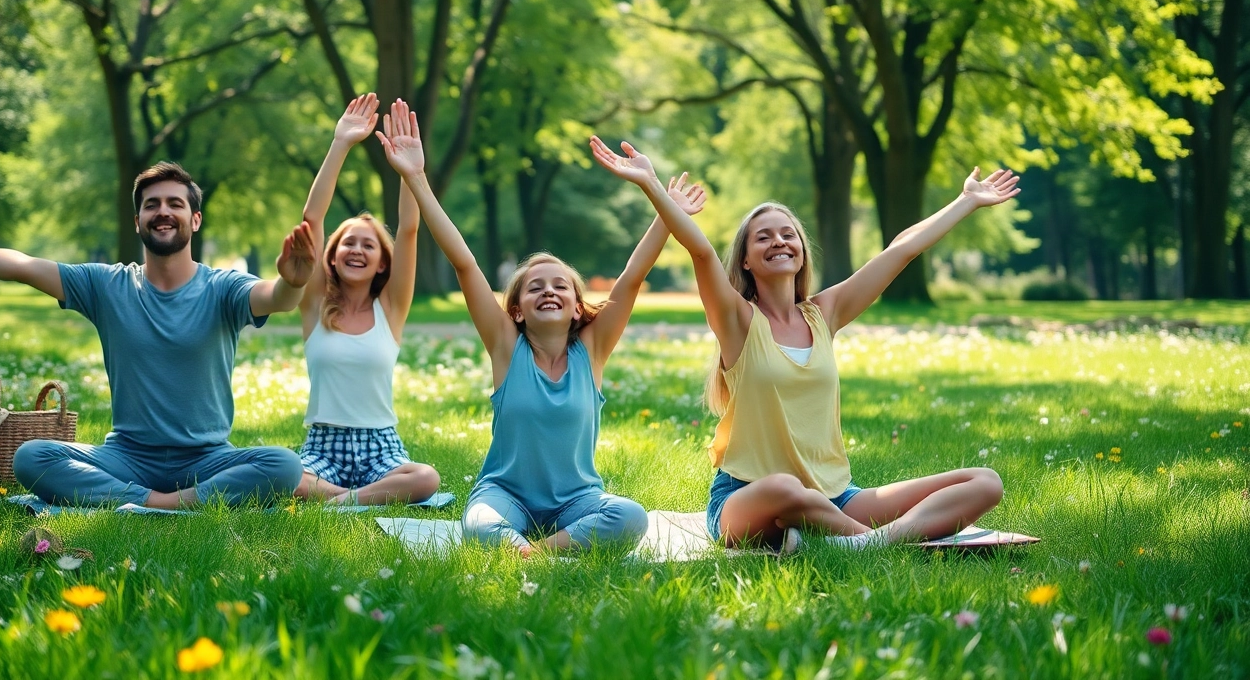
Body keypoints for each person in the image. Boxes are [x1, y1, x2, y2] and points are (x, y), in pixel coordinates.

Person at [590, 136, 1013, 552]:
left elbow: (899, 251)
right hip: (750, 498)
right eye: (764, 237)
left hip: (834, 496)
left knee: (983, 482)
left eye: (788, 234)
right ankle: (868, 540)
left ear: (801, 250)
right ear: (745, 259)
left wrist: (966, 201)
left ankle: (865, 542)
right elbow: (700, 252)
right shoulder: (737, 320)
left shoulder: (824, 313)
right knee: (785, 488)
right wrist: (651, 185)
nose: (779, 241)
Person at [385, 114, 704, 556]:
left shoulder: (592, 349)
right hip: (505, 496)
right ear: (516, 308)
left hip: (577, 500)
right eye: (535, 286)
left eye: (560, 286)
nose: (549, 291)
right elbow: (464, 263)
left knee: (630, 516)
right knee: (479, 524)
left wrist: (666, 215)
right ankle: (534, 546)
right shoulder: (504, 345)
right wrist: (417, 178)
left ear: (578, 307)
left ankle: (537, 552)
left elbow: (631, 278)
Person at [0, 163, 314, 508]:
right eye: (151, 205)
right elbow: (24, 266)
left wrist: (292, 283)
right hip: (127, 457)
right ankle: (164, 502)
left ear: (195, 219)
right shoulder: (106, 286)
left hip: (207, 459)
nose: (163, 212)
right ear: (137, 221)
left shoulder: (224, 287)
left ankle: (149, 503)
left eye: (175, 203)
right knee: (31, 457)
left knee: (284, 465)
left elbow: (276, 299)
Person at [291, 95, 440, 505]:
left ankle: (339, 501)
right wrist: (340, 143)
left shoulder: (390, 309)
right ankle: (358, 498)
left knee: (426, 477)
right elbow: (312, 220)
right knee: (288, 477)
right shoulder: (315, 305)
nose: (356, 250)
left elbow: (408, 229)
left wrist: (413, 171)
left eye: (367, 245)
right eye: (347, 244)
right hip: (323, 444)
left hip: (382, 446)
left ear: (380, 263)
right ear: (333, 258)